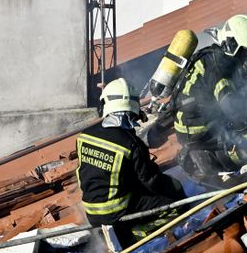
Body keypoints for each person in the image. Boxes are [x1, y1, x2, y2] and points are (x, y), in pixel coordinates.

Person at [172, 16, 247, 187]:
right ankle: (211, 160)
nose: (246, 57)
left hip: (199, 119)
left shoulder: (214, 55)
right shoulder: (220, 69)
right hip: (199, 131)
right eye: (245, 52)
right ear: (232, 44)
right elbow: (231, 107)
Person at [77, 79, 186, 246]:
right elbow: (151, 182)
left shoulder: (85, 135)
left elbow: (84, 171)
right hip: (116, 212)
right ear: (132, 111)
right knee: (176, 202)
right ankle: (136, 235)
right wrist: (173, 186)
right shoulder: (131, 144)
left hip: (91, 211)